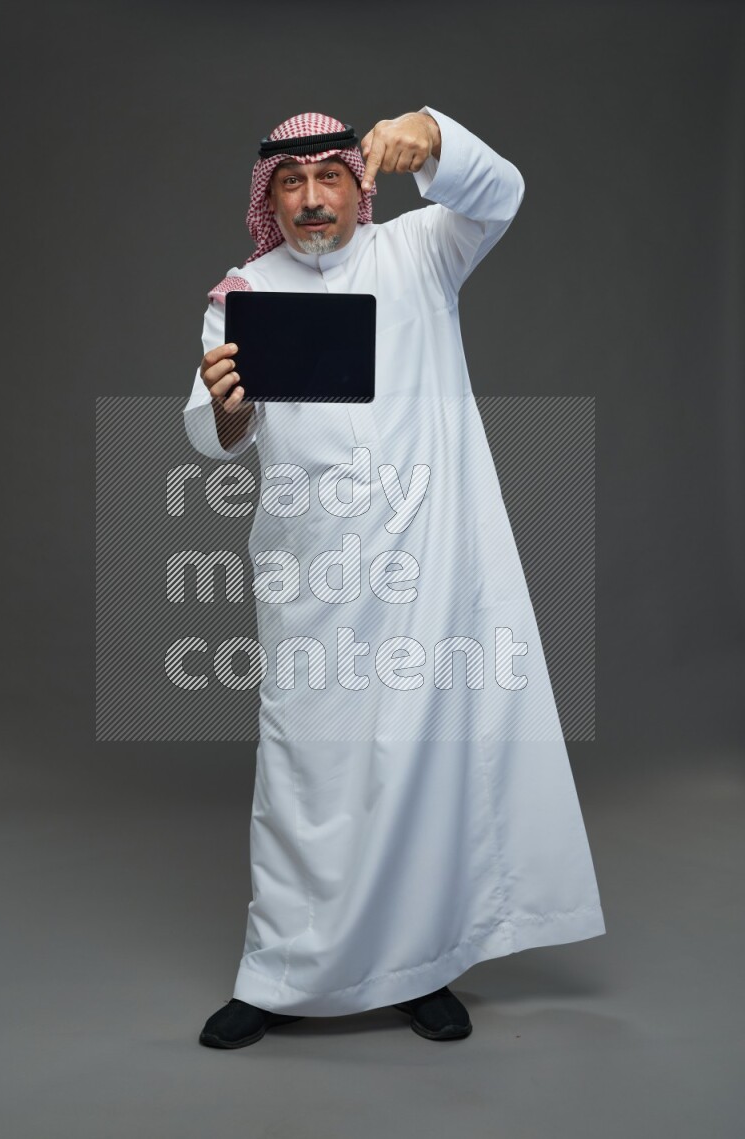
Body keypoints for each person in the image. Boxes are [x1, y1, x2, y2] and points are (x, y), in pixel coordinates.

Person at [183, 107, 606, 1049]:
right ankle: (280, 972)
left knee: (424, 768)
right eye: (290, 184)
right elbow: (217, 435)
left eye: (328, 177)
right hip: (314, 577)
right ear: (269, 200)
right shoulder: (242, 294)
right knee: (306, 773)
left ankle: (422, 964)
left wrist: (435, 135)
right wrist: (227, 407)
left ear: (356, 183)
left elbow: (503, 194)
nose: (311, 199)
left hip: (427, 571)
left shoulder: (420, 251)